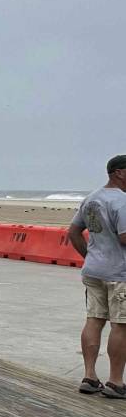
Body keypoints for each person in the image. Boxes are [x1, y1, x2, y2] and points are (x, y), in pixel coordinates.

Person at [69, 154, 126, 397]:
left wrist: (90, 256)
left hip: (94, 271)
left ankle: (90, 377)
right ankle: (115, 382)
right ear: (119, 172)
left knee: (94, 319)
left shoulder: (91, 198)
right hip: (119, 273)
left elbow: (73, 232)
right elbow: (124, 237)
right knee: (121, 325)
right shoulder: (122, 201)